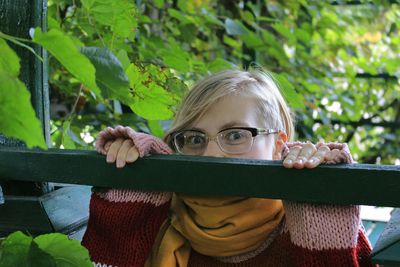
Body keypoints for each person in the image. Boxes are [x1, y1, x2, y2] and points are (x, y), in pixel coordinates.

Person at [82, 69, 374, 267]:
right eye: (194, 139)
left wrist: (320, 188)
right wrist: (141, 173)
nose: (211, 155)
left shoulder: (310, 216)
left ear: (278, 145)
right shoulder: (156, 216)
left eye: (235, 135)